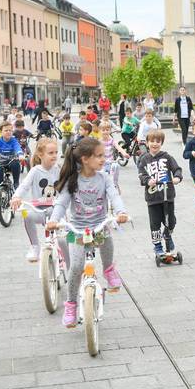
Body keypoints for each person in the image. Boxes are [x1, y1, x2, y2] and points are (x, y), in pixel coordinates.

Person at [48, 138, 128, 326]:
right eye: (99, 156)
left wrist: (121, 212)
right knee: (76, 267)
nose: (103, 159)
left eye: (103, 156)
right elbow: (61, 203)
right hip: (77, 229)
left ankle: (108, 270)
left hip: (99, 225)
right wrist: (53, 220)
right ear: (85, 159)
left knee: (107, 242)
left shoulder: (104, 178)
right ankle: (71, 305)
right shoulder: (72, 180)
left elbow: (114, 195)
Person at [11, 137, 62, 262]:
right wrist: (16, 196)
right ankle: (35, 246)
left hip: (56, 210)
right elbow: (24, 186)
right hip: (39, 210)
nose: (54, 155)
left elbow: (68, 186)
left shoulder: (59, 169)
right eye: (51, 153)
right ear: (40, 154)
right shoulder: (35, 171)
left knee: (63, 240)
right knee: (27, 216)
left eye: (56, 152)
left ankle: (70, 265)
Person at [137, 129, 183, 256]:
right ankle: (157, 246)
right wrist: (148, 180)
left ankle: (167, 234)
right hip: (153, 198)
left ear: (161, 143)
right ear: (147, 143)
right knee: (155, 223)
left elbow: (177, 169)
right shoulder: (144, 159)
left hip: (167, 195)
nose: (155, 144)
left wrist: (177, 177)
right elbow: (141, 174)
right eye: (152, 141)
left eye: (158, 141)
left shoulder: (167, 157)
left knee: (171, 221)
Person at [99, 120, 128, 191]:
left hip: (110, 162)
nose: (105, 132)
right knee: (102, 176)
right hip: (102, 163)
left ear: (110, 130)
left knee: (115, 168)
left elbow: (118, 147)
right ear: (100, 131)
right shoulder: (99, 141)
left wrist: (124, 153)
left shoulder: (112, 140)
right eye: (103, 130)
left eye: (107, 130)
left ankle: (115, 184)